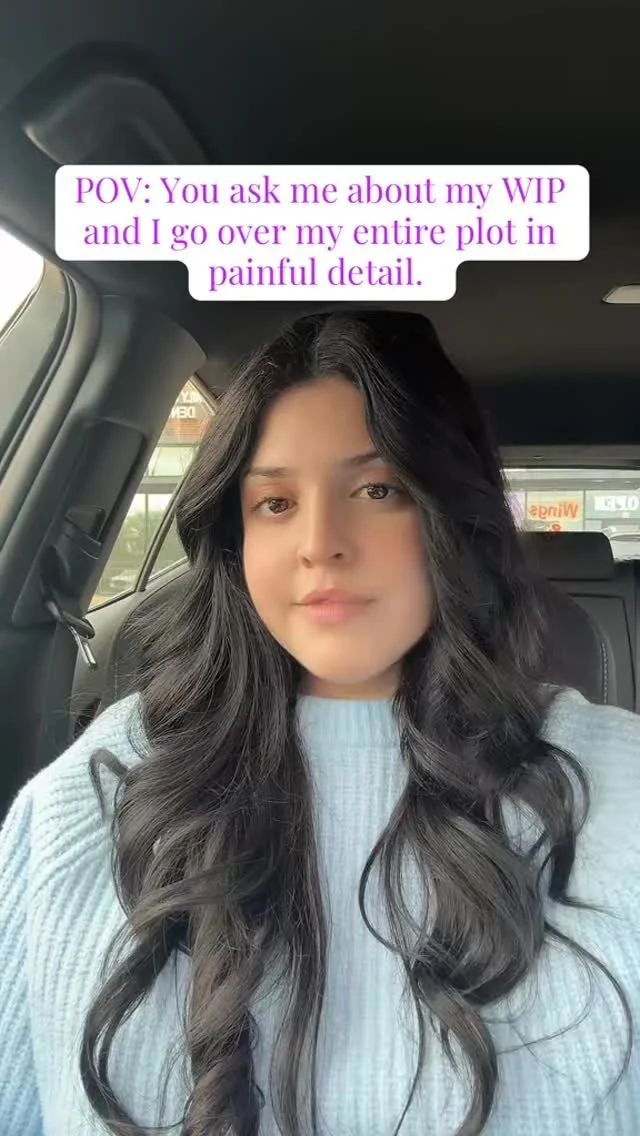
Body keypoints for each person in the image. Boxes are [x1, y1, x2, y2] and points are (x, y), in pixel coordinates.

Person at [0, 309, 639, 1136]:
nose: (319, 543)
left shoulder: (618, 787)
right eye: (273, 502)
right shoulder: (99, 789)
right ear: (236, 539)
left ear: (453, 516)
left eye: (378, 490)